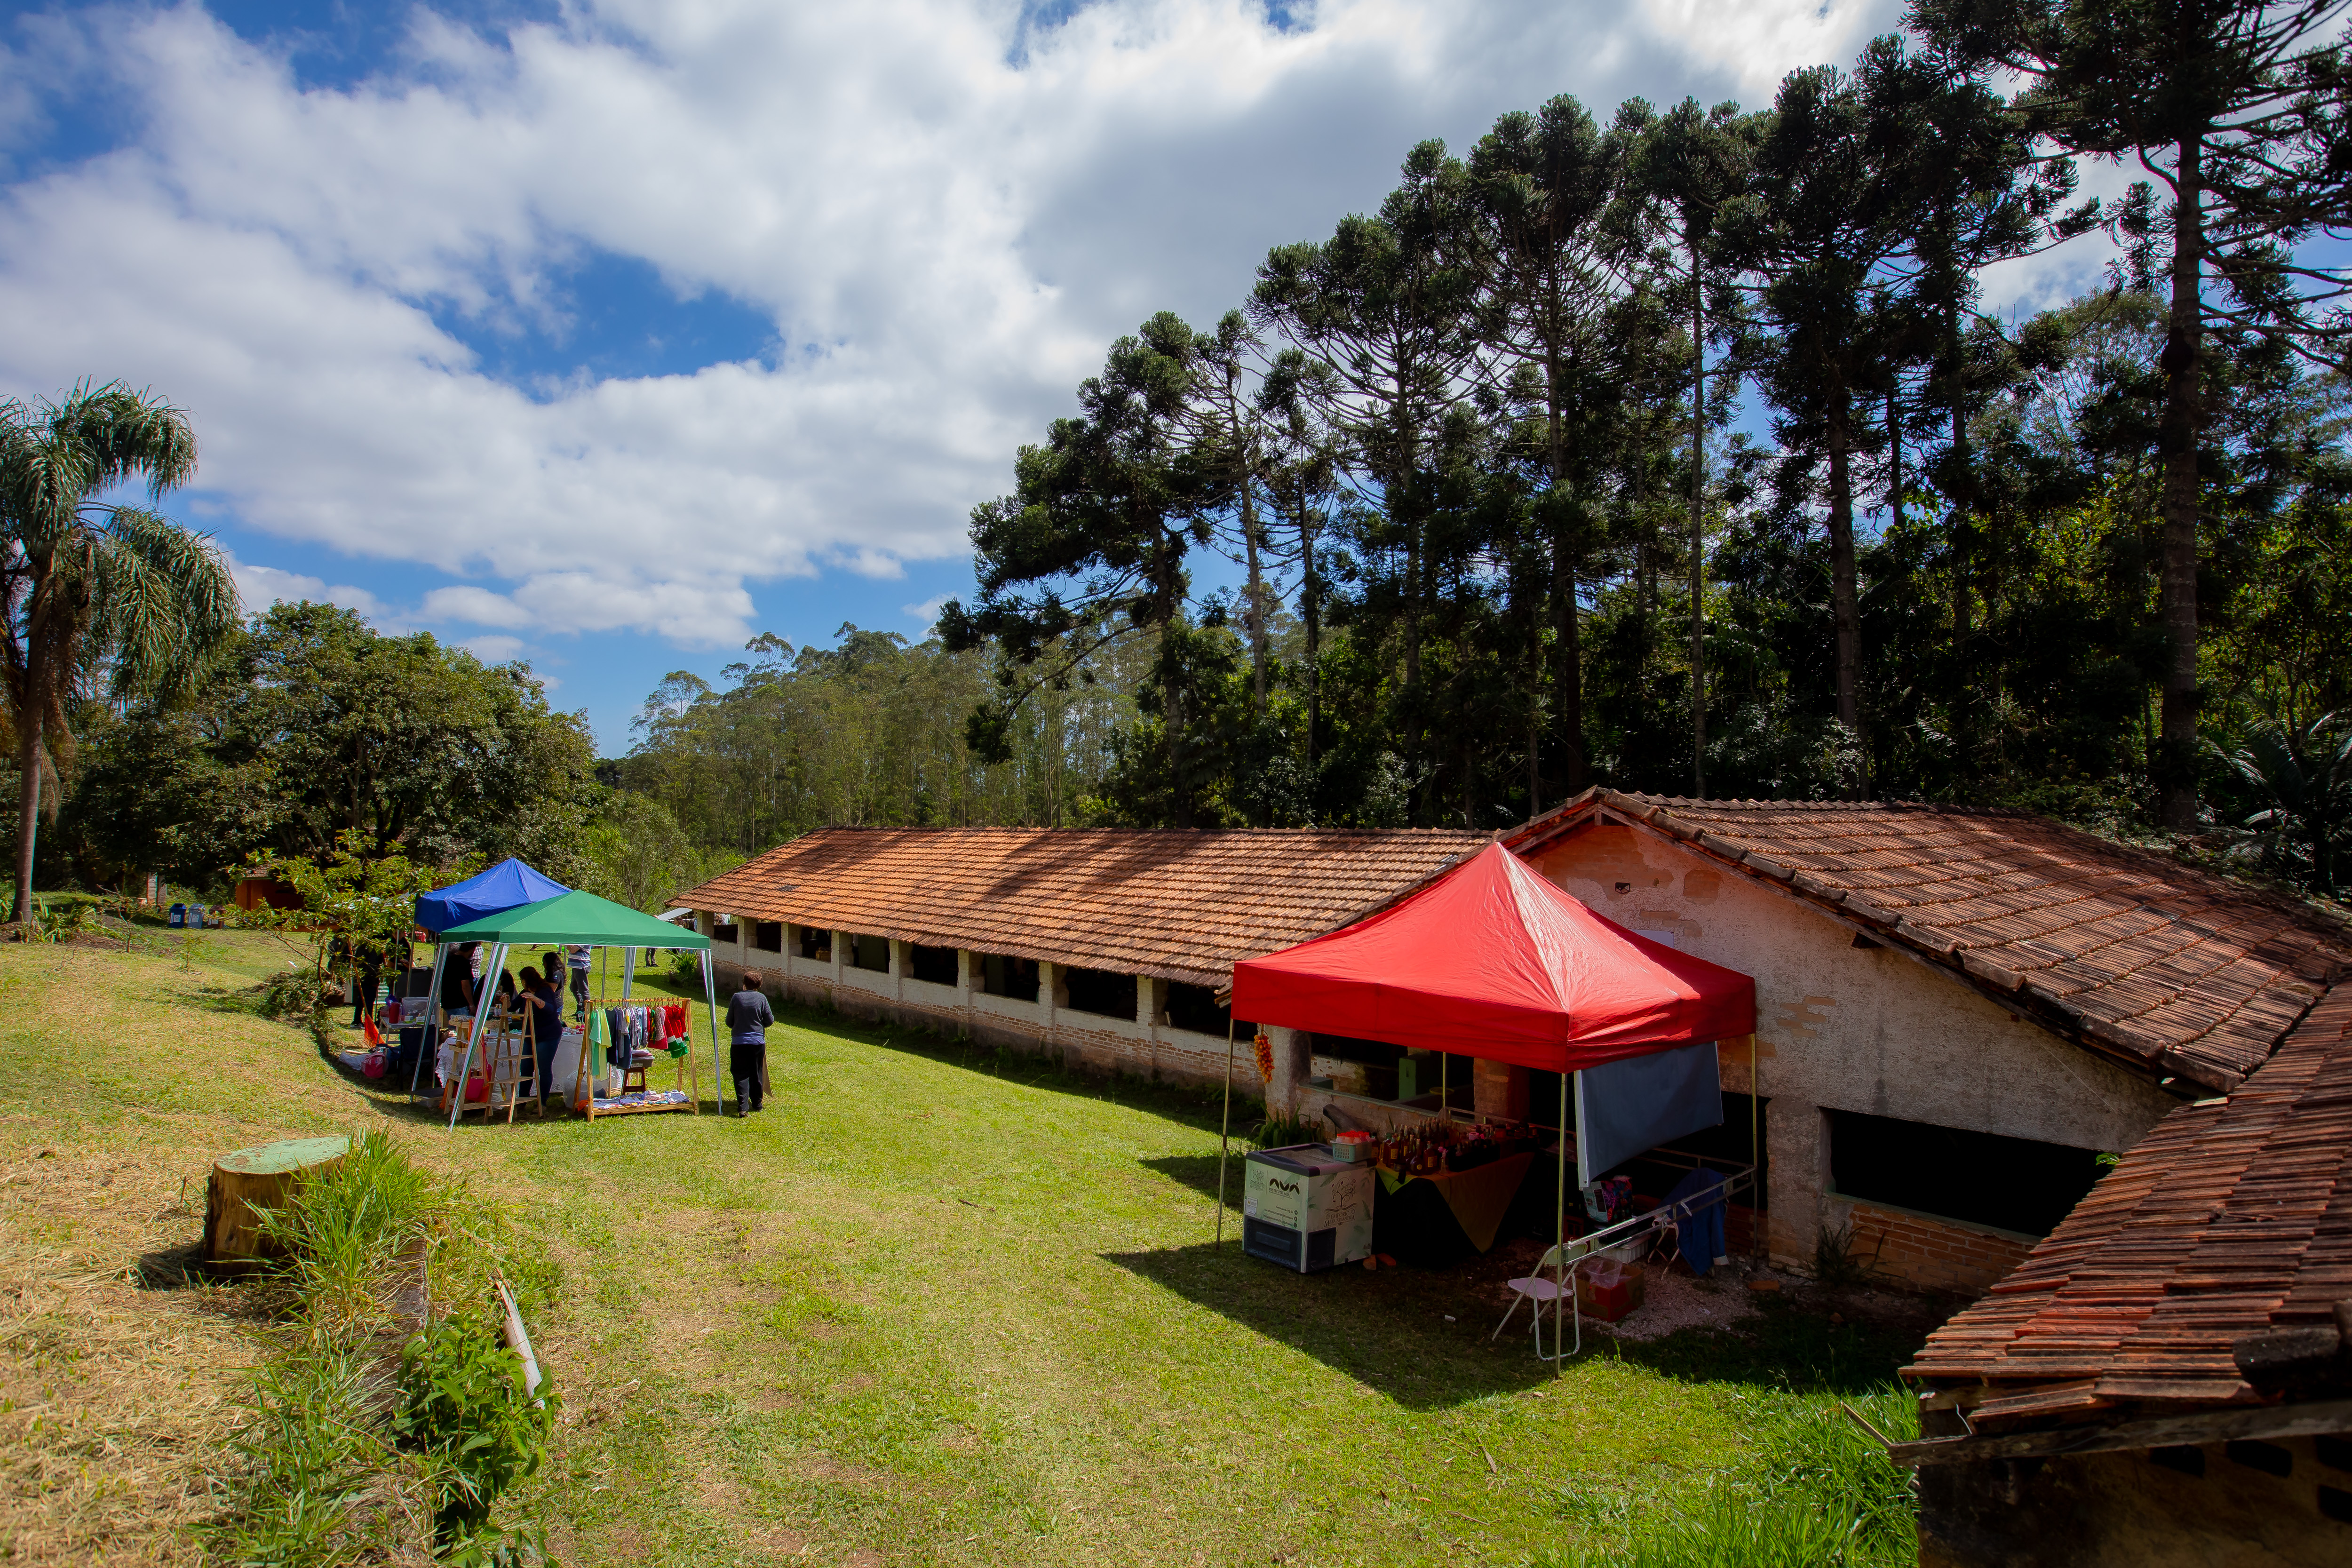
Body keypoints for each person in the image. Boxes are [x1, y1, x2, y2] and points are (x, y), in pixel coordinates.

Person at [726, 969, 775, 1117]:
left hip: (739, 1042)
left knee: (740, 1073)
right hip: (757, 1042)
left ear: (744, 985)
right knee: (756, 1073)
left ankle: (743, 1106)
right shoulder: (762, 999)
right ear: (759, 985)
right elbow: (770, 1020)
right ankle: (758, 1104)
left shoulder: (736, 998)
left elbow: (729, 1021)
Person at [516, 965, 566, 1103]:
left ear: (527, 980)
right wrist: (503, 1000)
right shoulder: (524, 993)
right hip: (530, 1035)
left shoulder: (545, 991)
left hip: (548, 1034)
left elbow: (551, 1009)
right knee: (526, 1069)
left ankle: (542, 1101)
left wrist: (535, 1000)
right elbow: (511, 1007)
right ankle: (523, 1101)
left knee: (544, 1068)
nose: (523, 983)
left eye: (523, 980)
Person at [566, 945, 591, 1019]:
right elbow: (569, 947)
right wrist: (571, 947)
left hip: (582, 966)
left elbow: (573, 950)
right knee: (573, 988)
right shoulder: (577, 939)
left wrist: (571, 947)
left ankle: (587, 1011)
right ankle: (581, 1007)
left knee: (583, 990)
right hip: (575, 966)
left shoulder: (585, 939)